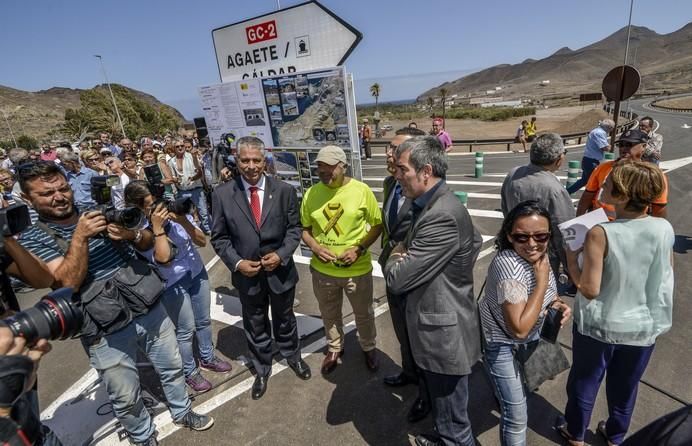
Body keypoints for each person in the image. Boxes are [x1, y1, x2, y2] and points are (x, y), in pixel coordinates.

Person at [16, 162, 212, 445]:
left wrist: (129, 233)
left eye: (62, 188)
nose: (59, 197)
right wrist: (81, 237)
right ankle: (142, 437)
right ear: (27, 199)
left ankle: (183, 411)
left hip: (148, 306)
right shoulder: (35, 238)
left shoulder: (97, 211)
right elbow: (65, 283)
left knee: (172, 367)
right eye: (46, 194)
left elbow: (145, 244)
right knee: (125, 393)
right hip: (104, 327)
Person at [555, 160, 674, 446]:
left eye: (608, 184)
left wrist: (572, 260)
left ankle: (575, 432)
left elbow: (590, 289)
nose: (602, 187)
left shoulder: (601, 232)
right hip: (644, 326)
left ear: (623, 195)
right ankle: (616, 434)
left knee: (585, 381)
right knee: (625, 386)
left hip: (600, 324)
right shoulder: (664, 228)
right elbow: (666, 272)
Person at [384, 136, 482, 446]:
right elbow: (476, 240)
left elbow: (397, 279)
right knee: (445, 413)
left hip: (443, 337)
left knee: (455, 425)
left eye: (402, 169)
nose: (397, 176)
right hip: (439, 329)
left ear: (426, 171)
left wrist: (398, 255)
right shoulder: (434, 203)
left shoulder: (440, 213)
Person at [211, 136, 309, 400]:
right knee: (255, 324)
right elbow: (219, 237)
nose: (252, 166)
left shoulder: (285, 191)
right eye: (245, 160)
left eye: (257, 160)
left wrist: (281, 254)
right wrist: (238, 263)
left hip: (281, 272)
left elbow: (294, 229)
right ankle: (262, 367)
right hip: (248, 276)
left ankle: (292, 355)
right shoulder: (222, 194)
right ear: (236, 159)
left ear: (265, 160)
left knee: (285, 319)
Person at [125, 181, 231, 393]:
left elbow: (202, 241)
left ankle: (207, 357)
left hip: (196, 272)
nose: (158, 208)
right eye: (150, 205)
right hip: (172, 282)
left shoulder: (175, 217)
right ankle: (189, 371)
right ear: (138, 208)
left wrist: (183, 221)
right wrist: (157, 228)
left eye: (157, 202)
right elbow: (163, 259)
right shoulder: (141, 234)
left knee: (203, 320)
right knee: (185, 329)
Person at [480, 201, 572, 446]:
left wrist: (558, 304)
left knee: (520, 391)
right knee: (516, 415)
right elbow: (519, 329)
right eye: (522, 237)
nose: (532, 244)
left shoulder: (540, 257)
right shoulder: (509, 266)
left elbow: (551, 295)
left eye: (540, 236)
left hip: (530, 339)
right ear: (509, 236)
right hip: (502, 344)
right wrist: (541, 282)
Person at [300, 145, 383, 374]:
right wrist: (315, 246)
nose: (325, 176)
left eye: (330, 171)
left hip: (356, 270)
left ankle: (368, 346)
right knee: (329, 313)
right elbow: (305, 229)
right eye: (321, 171)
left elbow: (377, 225)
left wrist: (359, 248)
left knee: (363, 313)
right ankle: (335, 347)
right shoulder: (312, 193)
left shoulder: (361, 191)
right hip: (323, 270)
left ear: (343, 167)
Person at [379, 127, 431, 423]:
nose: (389, 153)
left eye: (396, 148)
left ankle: (426, 394)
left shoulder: (427, 191)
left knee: (419, 338)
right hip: (391, 270)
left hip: (415, 276)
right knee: (401, 330)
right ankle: (409, 373)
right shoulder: (390, 183)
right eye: (389, 147)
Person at [501, 133, 575, 278]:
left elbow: (505, 209)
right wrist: (571, 268)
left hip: (514, 250)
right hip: (541, 258)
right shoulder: (554, 189)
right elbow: (565, 233)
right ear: (559, 159)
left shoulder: (513, 174)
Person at [576, 129, 668, 220]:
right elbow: (587, 197)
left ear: (643, 147)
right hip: (598, 223)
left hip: (632, 226)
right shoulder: (604, 168)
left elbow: (659, 209)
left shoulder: (652, 175)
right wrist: (579, 222)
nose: (623, 148)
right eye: (621, 145)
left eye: (629, 145)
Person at [167, 139, 210, 234]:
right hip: (182, 191)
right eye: (177, 146)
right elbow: (172, 176)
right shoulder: (171, 161)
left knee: (203, 212)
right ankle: (193, 232)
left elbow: (200, 172)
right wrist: (175, 180)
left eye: (182, 146)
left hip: (196, 189)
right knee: (187, 214)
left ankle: (208, 230)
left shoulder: (192, 156)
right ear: (174, 148)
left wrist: (193, 178)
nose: (180, 148)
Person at [566, 119, 615, 195]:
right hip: (592, 161)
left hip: (588, 160)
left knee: (585, 181)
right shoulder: (600, 133)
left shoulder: (596, 131)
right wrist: (609, 147)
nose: (611, 130)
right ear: (609, 127)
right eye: (612, 128)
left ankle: (566, 193)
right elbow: (605, 148)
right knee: (594, 182)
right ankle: (592, 201)